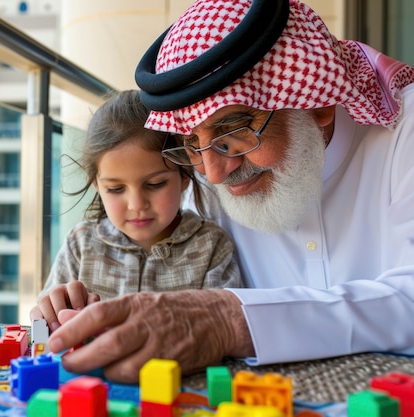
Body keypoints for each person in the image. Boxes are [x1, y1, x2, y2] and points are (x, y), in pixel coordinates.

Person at [46, 0, 414, 384]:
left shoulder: (406, 133)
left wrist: (229, 320)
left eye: (235, 133)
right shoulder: (202, 173)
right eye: (192, 142)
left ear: (317, 104)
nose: (215, 174)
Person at [30, 90, 241, 331]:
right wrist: (47, 315)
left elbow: (226, 328)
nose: (137, 204)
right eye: (116, 188)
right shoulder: (80, 245)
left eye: (155, 184)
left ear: (184, 175)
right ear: (97, 184)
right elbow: (44, 324)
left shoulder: (211, 246)